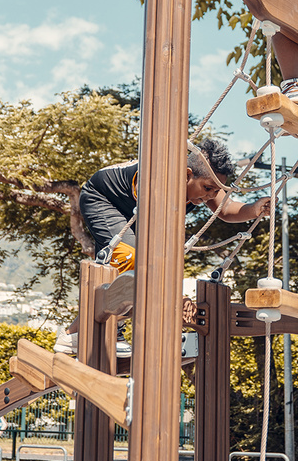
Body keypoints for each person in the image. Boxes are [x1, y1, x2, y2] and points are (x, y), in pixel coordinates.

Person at [55, 137, 270, 356]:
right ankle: (86, 333)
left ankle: (87, 332)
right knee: (132, 259)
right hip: (104, 200)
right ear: (187, 174)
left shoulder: (205, 186)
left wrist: (254, 209)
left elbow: (225, 209)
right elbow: (159, 243)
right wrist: (176, 299)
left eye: (215, 191)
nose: (210, 196)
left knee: (146, 271)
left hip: (137, 213)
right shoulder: (161, 179)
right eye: (207, 188)